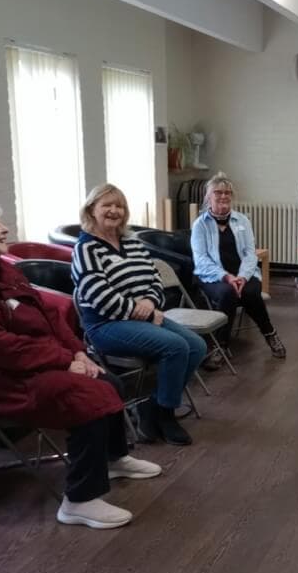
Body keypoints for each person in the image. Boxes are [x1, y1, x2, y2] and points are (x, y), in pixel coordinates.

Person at [0, 198, 160, 529]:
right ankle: (79, 500)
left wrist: (79, 353)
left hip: (37, 363)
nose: (5, 229)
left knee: (109, 381)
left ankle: (114, 458)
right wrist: (64, 360)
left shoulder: (5, 270)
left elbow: (51, 318)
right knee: (88, 396)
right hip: (1, 380)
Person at [71, 184, 204, 445]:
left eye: (118, 205)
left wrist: (150, 302)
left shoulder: (132, 243)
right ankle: (166, 415)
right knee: (176, 346)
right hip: (106, 325)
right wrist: (140, 312)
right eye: (106, 205)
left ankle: (152, 406)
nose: (113, 210)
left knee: (197, 346)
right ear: (91, 210)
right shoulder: (85, 250)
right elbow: (100, 298)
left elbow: (155, 280)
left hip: (146, 315)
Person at [189, 174, 285, 359]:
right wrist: (227, 277)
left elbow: (250, 254)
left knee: (250, 291)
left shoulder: (242, 220)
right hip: (213, 277)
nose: (223, 196)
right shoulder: (200, 225)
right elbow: (201, 260)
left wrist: (242, 277)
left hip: (244, 275)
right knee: (228, 292)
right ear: (208, 196)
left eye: (227, 192)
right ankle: (221, 346)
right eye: (218, 192)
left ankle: (270, 334)